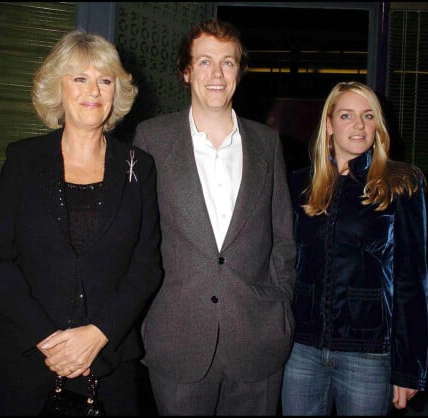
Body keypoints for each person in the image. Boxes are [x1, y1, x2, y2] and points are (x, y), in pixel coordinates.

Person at [0, 29, 163, 416]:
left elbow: (146, 267)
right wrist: (48, 339)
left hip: (109, 360)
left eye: (104, 80)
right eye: (80, 78)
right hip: (27, 357)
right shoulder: (23, 161)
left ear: (117, 91)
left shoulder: (138, 167)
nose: (92, 91)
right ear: (57, 87)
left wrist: (97, 334)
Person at [132, 19, 297, 416]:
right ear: (185, 71)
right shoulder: (151, 139)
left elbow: (283, 237)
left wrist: (281, 306)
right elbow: (137, 239)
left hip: (258, 341)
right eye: (205, 62)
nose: (217, 74)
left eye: (228, 62)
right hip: (177, 342)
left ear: (240, 71)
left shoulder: (268, 142)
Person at [281, 81, 428, 416]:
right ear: (330, 124)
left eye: (367, 116)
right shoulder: (298, 184)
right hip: (301, 349)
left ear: (378, 125)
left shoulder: (401, 183)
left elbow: (411, 281)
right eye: (347, 115)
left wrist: (409, 368)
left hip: (368, 355)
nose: (358, 125)